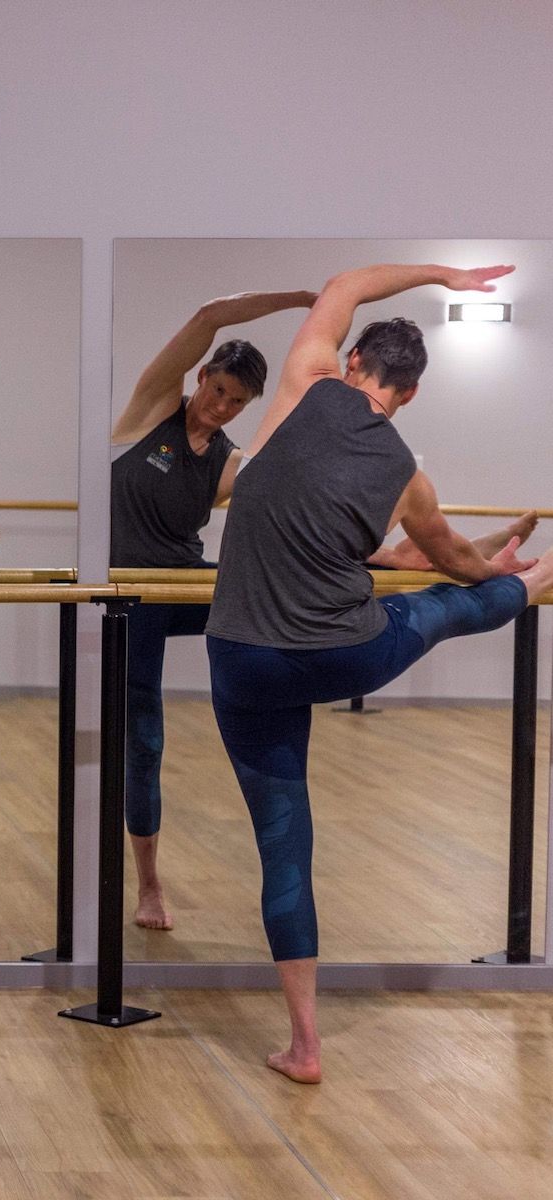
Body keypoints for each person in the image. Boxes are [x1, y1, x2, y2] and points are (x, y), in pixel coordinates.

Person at [202, 263, 551, 1084]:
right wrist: (496, 577)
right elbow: (455, 561)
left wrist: (443, 273)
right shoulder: (408, 475)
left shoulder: (301, 381)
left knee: (285, 845)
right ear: (412, 395)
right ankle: (535, 582)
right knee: (434, 609)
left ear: (351, 359)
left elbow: (349, 281)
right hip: (340, 653)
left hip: (244, 658)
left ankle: (305, 1045)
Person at [110, 290, 314, 931]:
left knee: (278, 586)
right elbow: (207, 316)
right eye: (217, 389)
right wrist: (307, 301)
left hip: (188, 588)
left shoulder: (229, 461)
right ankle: (148, 886)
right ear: (201, 376)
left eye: (235, 401)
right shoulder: (150, 413)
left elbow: (278, 472)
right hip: (131, 596)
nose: (220, 405)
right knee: (145, 743)